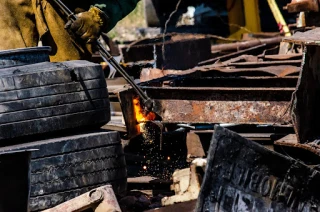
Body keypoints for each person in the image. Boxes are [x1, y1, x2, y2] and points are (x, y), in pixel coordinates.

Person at [0, 0, 140, 61]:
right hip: (10, 8)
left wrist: (100, 14)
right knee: (10, 74)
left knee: (70, 85)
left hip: (69, 12)